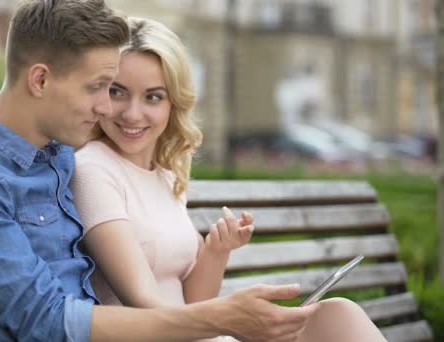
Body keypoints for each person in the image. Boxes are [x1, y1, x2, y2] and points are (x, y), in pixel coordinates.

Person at [0, 0, 320, 340]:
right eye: (98, 87)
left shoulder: (56, 156)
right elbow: (47, 322)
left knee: (332, 318)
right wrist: (220, 319)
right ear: (40, 80)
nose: (108, 108)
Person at [71, 16, 387, 342]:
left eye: (153, 97)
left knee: (339, 314)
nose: (133, 113)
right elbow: (145, 305)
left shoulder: (165, 176)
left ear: (173, 103)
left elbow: (195, 303)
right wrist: (233, 318)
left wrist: (215, 252)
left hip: (199, 336)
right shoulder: (92, 170)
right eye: (118, 92)